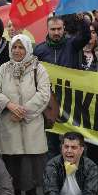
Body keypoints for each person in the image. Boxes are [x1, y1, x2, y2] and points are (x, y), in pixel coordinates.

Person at [0, 34, 50, 195]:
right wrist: (9, 105)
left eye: (21, 47)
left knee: (31, 165)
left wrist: (23, 111)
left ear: (27, 49)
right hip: (9, 124)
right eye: (14, 47)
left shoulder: (38, 68)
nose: (17, 51)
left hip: (31, 124)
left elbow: (44, 94)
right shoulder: (4, 68)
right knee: (11, 165)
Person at [34, 15, 90, 159]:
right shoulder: (39, 50)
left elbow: (85, 36)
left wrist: (80, 19)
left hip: (71, 104)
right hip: (50, 106)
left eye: (59, 29)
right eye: (53, 29)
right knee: (51, 146)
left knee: (72, 144)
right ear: (47, 30)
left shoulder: (72, 44)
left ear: (64, 28)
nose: (56, 32)